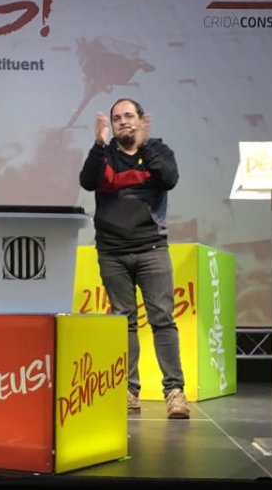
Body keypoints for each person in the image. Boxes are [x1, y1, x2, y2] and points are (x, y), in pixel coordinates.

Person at [79, 98, 190, 419]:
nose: (123, 122)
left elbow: (169, 179)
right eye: (117, 118)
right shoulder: (105, 154)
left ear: (141, 120)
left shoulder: (158, 150)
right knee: (123, 322)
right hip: (111, 252)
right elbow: (88, 181)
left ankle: (174, 392)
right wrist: (98, 143)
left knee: (162, 319)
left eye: (129, 116)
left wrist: (145, 146)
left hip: (151, 248)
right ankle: (129, 391)